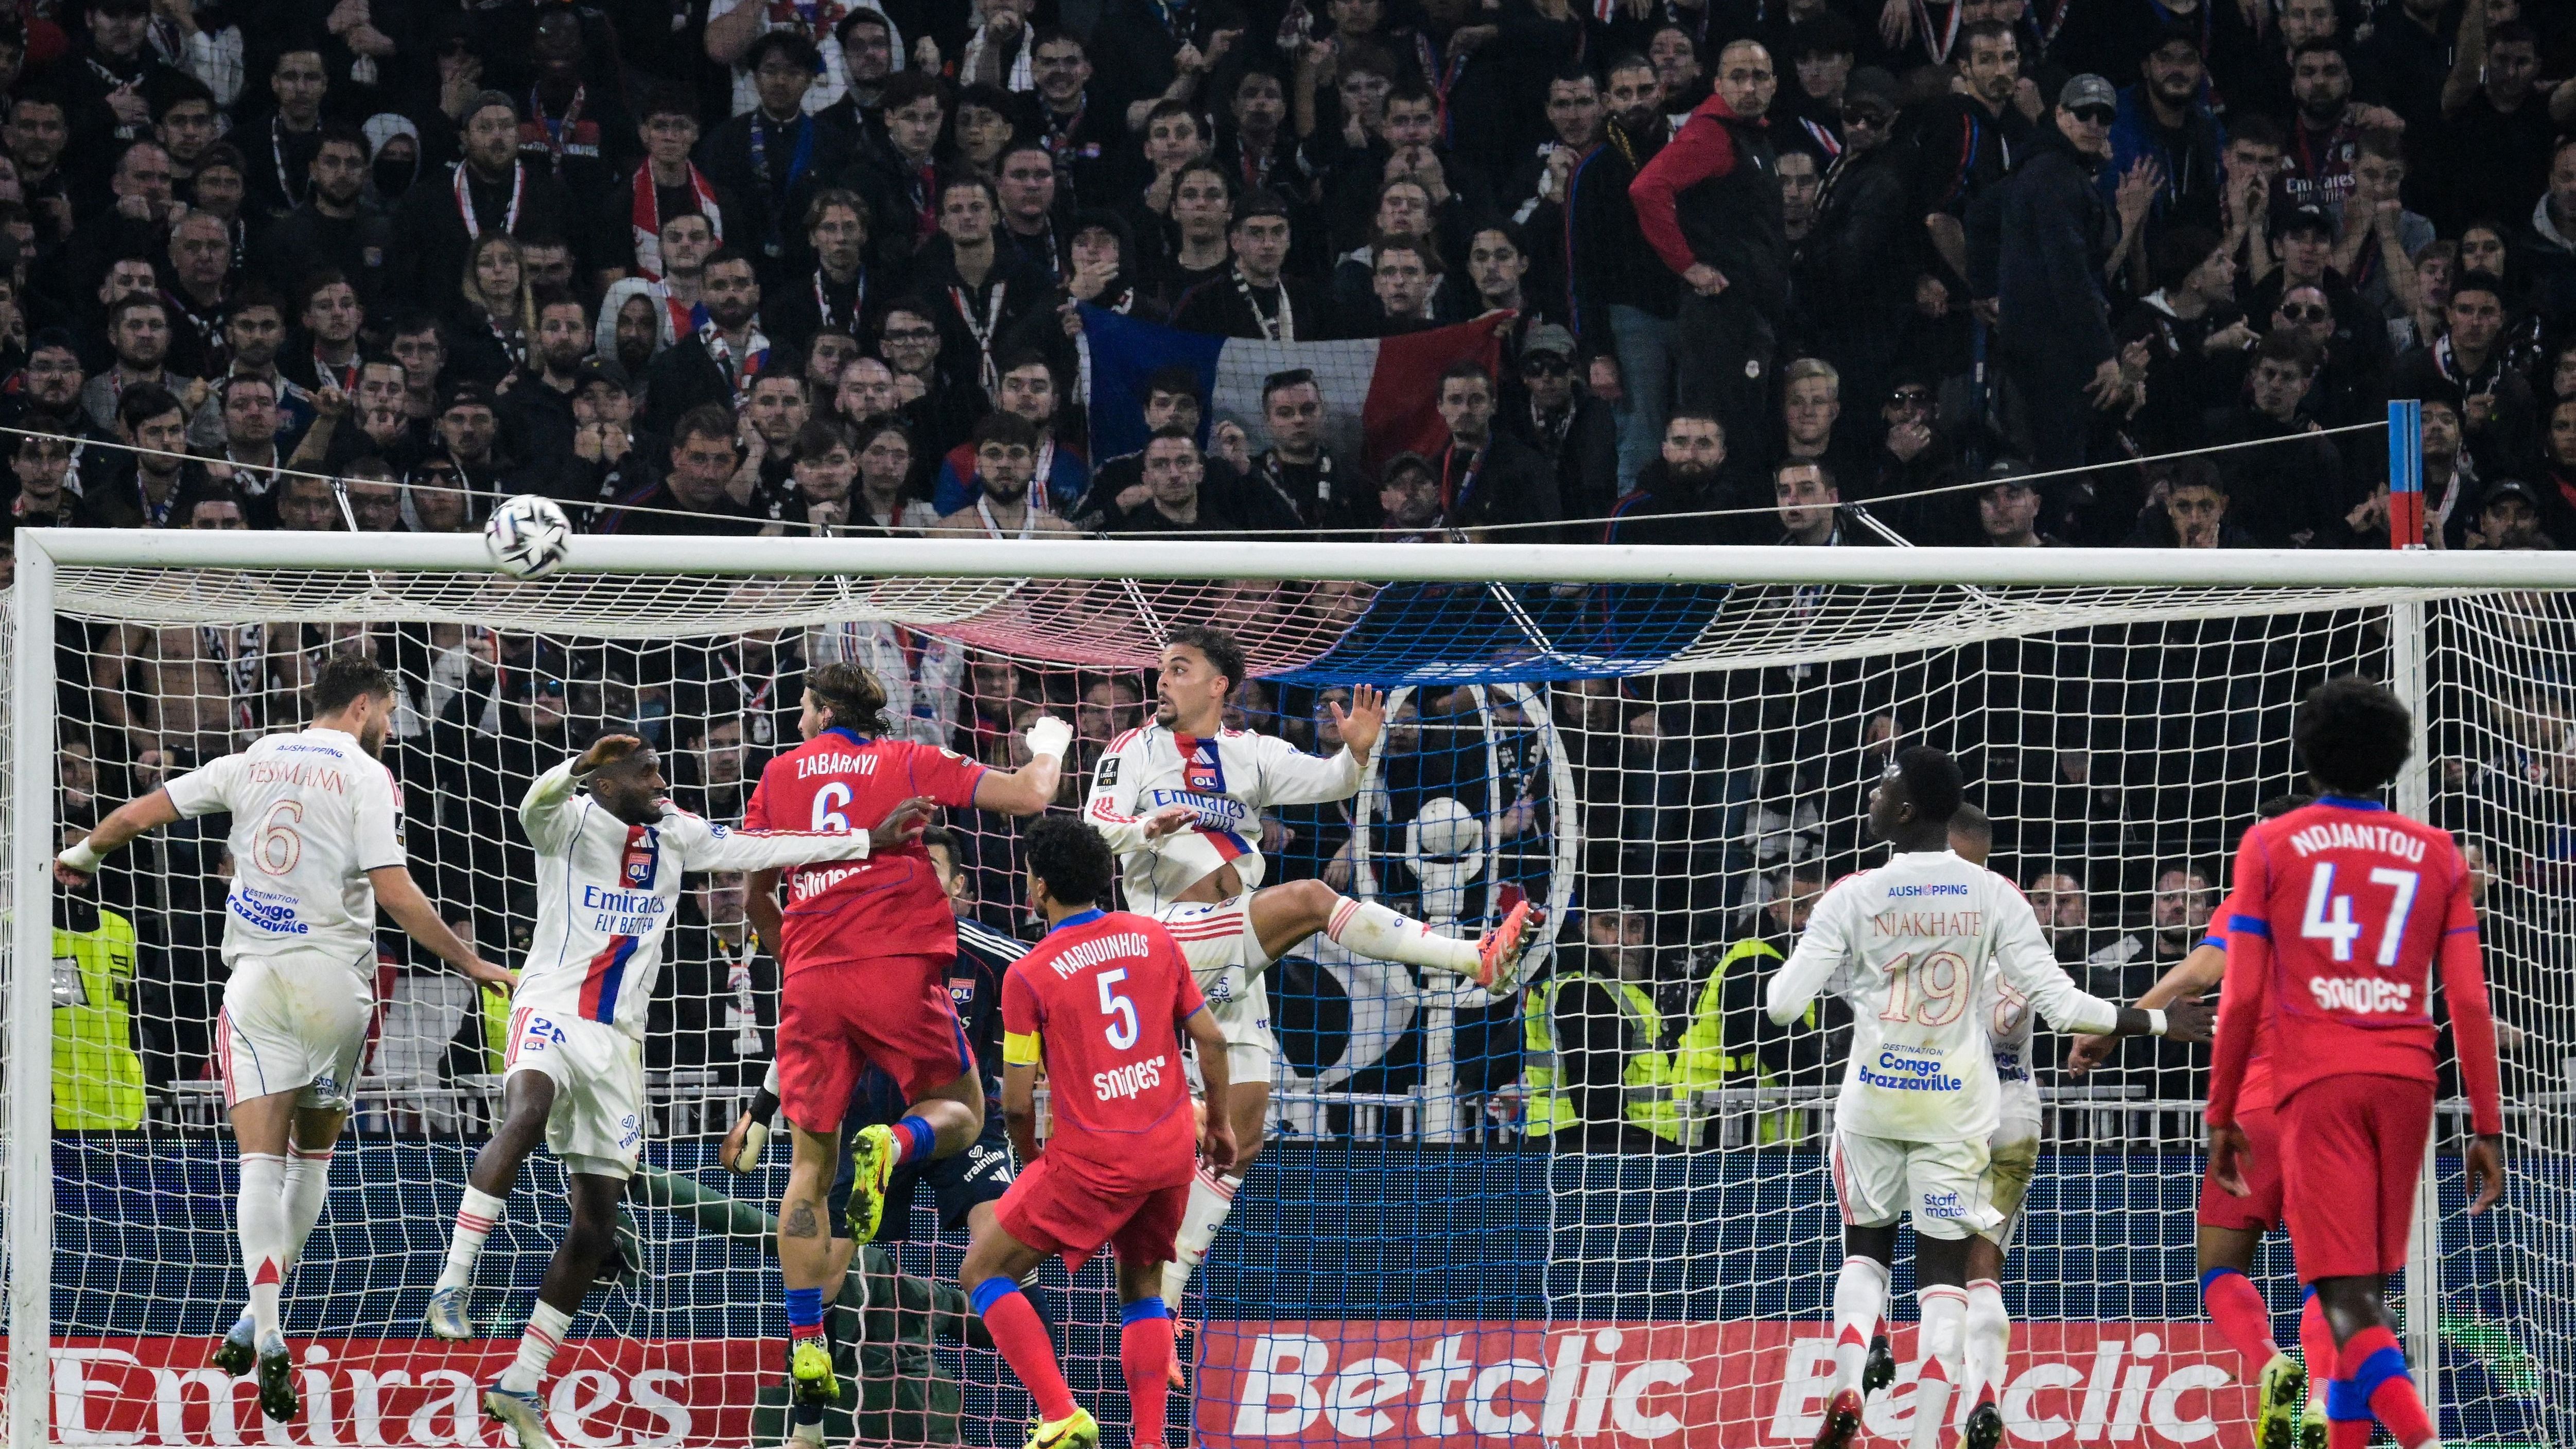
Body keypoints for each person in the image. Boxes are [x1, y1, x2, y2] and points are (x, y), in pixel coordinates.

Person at [52, 654, 513, 1424]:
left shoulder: (249, 759)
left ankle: (264, 1326)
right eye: (391, 714)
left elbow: (136, 816)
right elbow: (393, 887)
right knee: (313, 1158)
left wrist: (81, 853)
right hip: (337, 992)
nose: (391, 729)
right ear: (364, 706)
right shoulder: (368, 776)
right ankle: (255, 1321)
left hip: (257, 986)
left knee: (258, 1165)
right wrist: (467, 959)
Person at [1083, 626, 1539, 1373]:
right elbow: (1097, 831)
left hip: (1232, 960)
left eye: (1179, 668)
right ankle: (1471, 957)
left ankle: (1160, 1302)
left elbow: (1333, 783)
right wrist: (1144, 826)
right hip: (1163, 936)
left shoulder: (1254, 752)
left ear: (1220, 684)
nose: (1162, 680)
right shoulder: (1130, 750)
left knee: (1242, 1137)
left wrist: (1360, 751)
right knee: (1305, 895)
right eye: (1161, 668)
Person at [424, 735, 897, 1447]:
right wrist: (577, 765)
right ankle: (452, 1283)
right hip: (550, 1006)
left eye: (657, 765)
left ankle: (522, 1380)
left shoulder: (676, 831)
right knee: (526, 1112)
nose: (660, 776)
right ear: (607, 783)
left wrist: (867, 837)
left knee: (596, 1225)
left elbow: (759, 848)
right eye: (643, 770)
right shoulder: (572, 818)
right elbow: (532, 805)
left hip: (619, 1043)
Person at [1766, 745, 2203, 1449]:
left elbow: (1783, 1006)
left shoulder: (1850, 893)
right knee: (1949, 1276)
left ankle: (1849, 1382)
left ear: (1907, 810)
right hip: (1963, 1108)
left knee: (1864, 1255)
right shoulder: (1997, 894)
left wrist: (1849, 978)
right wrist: (2153, 1019)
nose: (1872, 797)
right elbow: (2062, 1004)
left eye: (1882, 789)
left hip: (1873, 1100)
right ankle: (1928, 1432)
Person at [739, 662, 1067, 1407]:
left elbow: (753, 886)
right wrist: (1048, 740)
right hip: (896, 967)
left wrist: (789, 951)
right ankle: (898, 1141)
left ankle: (806, 1343)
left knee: (808, 1171)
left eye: (802, 709)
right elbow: (1030, 795)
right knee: (965, 1112)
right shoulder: (906, 758)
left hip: (813, 978)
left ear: (824, 711)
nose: (797, 722)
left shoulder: (779, 774)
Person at [2205, 678, 2507, 1449]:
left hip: (2319, 1081)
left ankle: (2422, 1438)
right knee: (2360, 1291)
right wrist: (2488, 1125)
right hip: (2410, 1076)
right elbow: (2469, 1003)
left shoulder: (2270, 843)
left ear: (2307, 757)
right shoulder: (2439, 852)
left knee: (2345, 1299)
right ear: (2399, 758)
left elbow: (2238, 998)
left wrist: (2221, 1111)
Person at [721, 826, 1030, 1446]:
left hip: (944, 1135)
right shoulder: (873, 944)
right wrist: (757, 1109)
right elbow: (804, 1036)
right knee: (823, 1276)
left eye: (933, 867)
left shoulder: (992, 956)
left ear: (960, 885)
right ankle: (807, 1428)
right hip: (878, 1122)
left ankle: (1046, 1409)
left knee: (1008, 1250)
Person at [961, 815, 1237, 1449]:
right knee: (1141, 1286)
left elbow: (1018, 1094)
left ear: (1037, 888)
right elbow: (1212, 1038)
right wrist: (1217, 1124)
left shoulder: (1029, 973)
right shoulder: (1154, 939)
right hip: (1170, 1151)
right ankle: (1149, 1442)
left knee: (983, 1271)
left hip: (1093, 1161)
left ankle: (1060, 1412)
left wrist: (1029, 1157)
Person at [1628, 39, 1786, 473]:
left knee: (1743, 432)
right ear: (1717, 84)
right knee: (1725, 436)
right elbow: (1646, 189)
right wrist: (1687, 265)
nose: (1749, 86)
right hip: (1722, 319)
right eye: (1737, 77)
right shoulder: (1711, 134)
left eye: (1758, 76)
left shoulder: (1750, 135)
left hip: (1746, 312)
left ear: (1774, 83)